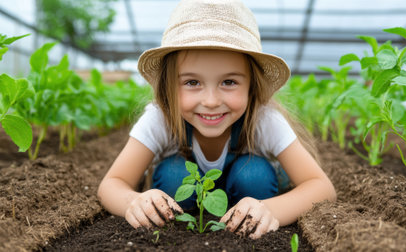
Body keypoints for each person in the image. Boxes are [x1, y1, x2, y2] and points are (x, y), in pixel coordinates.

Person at [97, 0, 336, 239]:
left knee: (254, 176)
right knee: (173, 176)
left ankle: (247, 219)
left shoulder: (265, 120)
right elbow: (112, 184)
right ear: (169, 86)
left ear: (252, 86)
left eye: (229, 82)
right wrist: (135, 201)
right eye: (192, 82)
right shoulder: (160, 119)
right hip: (182, 202)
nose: (211, 101)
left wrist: (270, 210)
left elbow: (321, 187)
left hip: (248, 195)